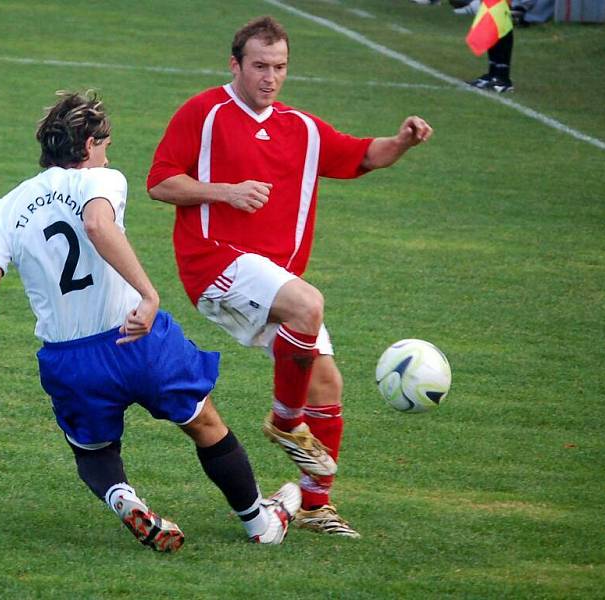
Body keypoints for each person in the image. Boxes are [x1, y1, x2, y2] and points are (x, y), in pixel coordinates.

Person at [0, 90, 301, 553]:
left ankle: (122, 496)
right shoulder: (102, 181)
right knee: (205, 423)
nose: (108, 152)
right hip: (136, 339)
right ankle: (259, 523)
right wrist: (149, 293)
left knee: (93, 451)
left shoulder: (7, 207)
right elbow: (99, 225)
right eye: (104, 143)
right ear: (87, 147)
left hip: (70, 361)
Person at [147, 16, 432, 538]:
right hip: (214, 262)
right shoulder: (204, 112)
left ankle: (315, 506)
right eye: (259, 65)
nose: (270, 77)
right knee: (308, 304)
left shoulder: (300, 127)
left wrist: (403, 141)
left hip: (271, 278)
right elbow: (160, 182)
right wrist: (224, 191)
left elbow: (364, 154)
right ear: (235, 64)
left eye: (279, 67)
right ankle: (283, 420)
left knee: (327, 381)